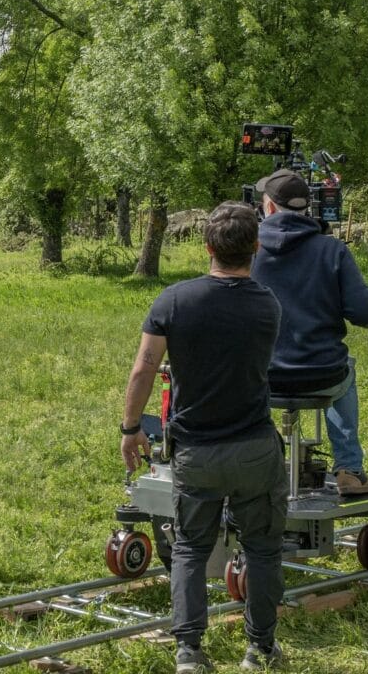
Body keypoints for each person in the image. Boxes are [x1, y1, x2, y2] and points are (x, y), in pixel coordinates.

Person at [120, 202, 286, 674]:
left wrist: (131, 429)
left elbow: (143, 370)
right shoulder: (267, 304)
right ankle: (260, 649)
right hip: (255, 446)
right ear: (255, 247)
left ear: (207, 247)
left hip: (196, 449)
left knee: (190, 548)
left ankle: (189, 652)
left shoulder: (173, 301)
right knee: (262, 547)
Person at [251, 169, 368, 496]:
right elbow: (366, 314)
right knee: (345, 369)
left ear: (268, 208)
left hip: (259, 376)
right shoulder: (332, 250)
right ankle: (349, 469)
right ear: (306, 209)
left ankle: (247, 465)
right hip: (321, 375)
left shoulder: (247, 251)